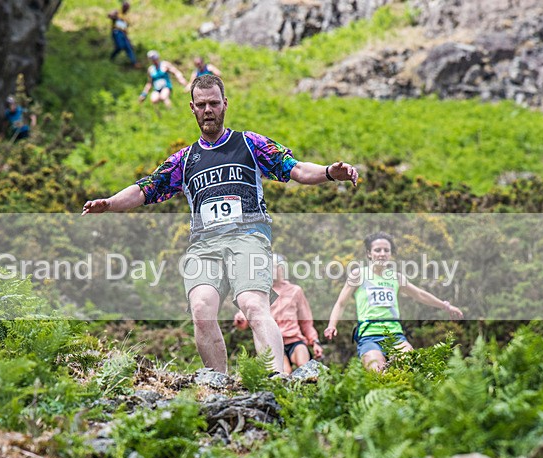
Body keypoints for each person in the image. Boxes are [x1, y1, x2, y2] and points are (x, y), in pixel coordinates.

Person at [82, 74, 359, 374]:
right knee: (201, 310)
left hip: (248, 236)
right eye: (201, 105)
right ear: (192, 108)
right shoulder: (184, 160)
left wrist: (330, 172)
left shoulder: (250, 144)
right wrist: (109, 203)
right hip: (204, 244)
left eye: (214, 103)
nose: (208, 110)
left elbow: (298, 169)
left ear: (225, 104)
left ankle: (276, 380)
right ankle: (219, 384)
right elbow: (145, 188)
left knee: (253, 304)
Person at [324, 231, 464, 372]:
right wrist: (332, 325)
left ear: (390, 254)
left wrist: (446, 306)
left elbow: (420, 294)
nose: (382, 253)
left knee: (409, 367)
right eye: (377, 250)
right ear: (369, 253)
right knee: (378, 372)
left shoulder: (396, 278)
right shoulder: (359, 275)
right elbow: (341, 303)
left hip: (395, 335)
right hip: (369, 336)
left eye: (386, 250)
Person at [233, 254, 323, 373]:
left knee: (305, 366)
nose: (273, 270)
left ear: (283, 269)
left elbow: (306, 322)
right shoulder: (262, 292)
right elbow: (245, 321)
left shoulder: (295, 291)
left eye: (276, 267)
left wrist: (315, 342)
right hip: (273, 341)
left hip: (294, 339)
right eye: (270, 267)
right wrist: (240, 319)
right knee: (284, 372)